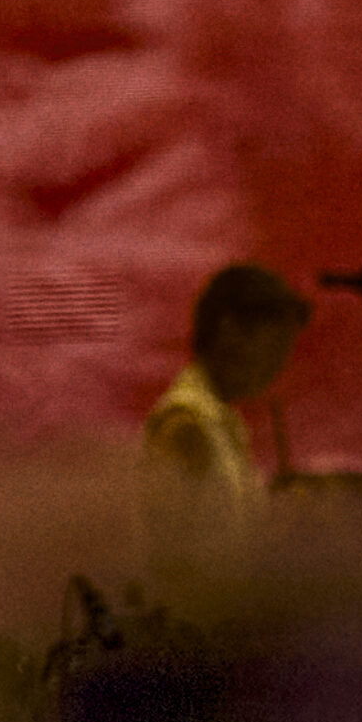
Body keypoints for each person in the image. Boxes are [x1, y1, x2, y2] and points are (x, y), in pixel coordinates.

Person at [138, 258, 310, 614]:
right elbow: (168, 567)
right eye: (275, 346)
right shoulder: (186, 427)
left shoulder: (221, 422)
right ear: (230, 331)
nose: (280, 366)